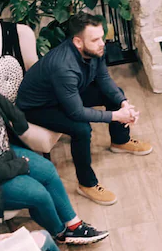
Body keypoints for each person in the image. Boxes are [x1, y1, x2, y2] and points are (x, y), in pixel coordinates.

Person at [0, 61, 108, 244]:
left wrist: (20, 124)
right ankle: (61, 233)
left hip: (2, 153)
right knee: (39, 194)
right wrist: (21, 164)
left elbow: (8, 108)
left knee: (48, 170)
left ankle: (74, 224)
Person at [16, 12, 152, 206]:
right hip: (38, 106)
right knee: (81, 128)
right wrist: (116, 116)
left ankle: (120, 141)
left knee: (114, 93)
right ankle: (86, 184)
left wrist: (123, 103)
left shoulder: (94, 50)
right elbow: (76, 113)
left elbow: (104, 79)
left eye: (102, 37)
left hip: (66, 94)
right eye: (95, 39)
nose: (102, 43)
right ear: (78, 42)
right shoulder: (64, 67)